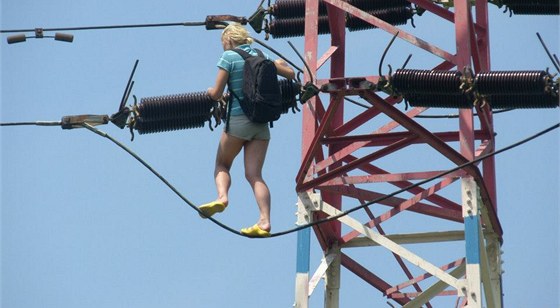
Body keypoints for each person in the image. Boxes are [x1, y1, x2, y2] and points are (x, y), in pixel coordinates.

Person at [199, 23, 295, 238]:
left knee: (222, 164)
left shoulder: (229, 57)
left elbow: (216, 94)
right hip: (261, 124)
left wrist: (209, 91)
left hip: (238, 122)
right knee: (255, 175)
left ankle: (222, 197)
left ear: (228, 40)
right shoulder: (262, 56)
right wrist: (280, 64)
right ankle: (265, 221)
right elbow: (290, 74)